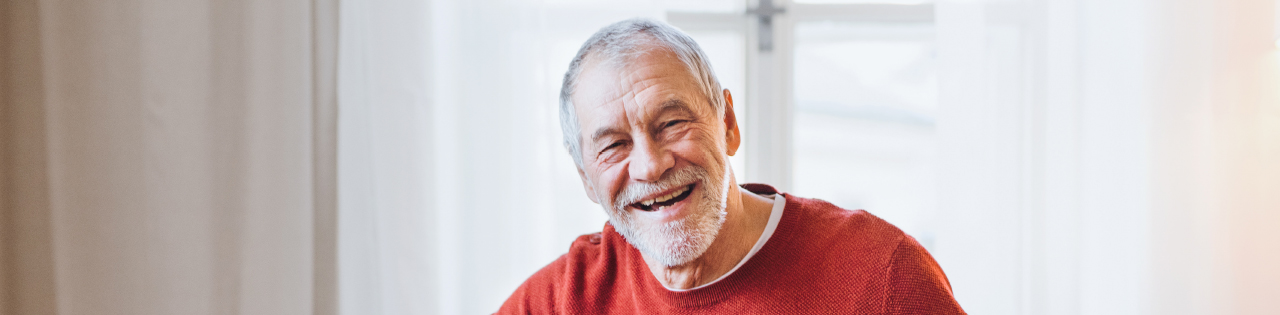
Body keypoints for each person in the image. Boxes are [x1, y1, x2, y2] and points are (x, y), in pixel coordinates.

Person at [497, 18, 964, 314]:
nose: (651, 166)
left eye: (672, 123)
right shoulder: (558, 302)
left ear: (728, 124)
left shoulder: (881, 277)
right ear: (586, 179)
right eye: (614, 145)